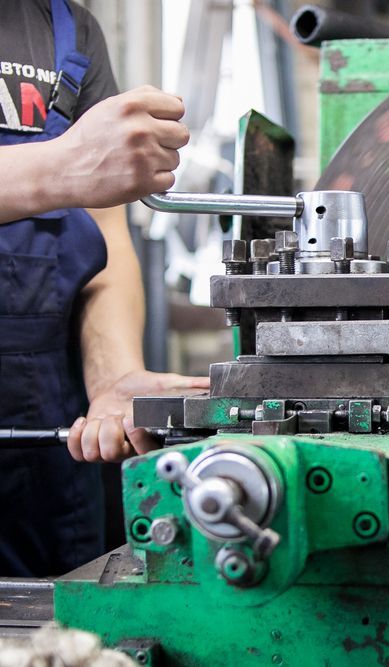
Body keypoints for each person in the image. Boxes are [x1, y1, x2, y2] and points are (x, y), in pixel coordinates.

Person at [0, 0, 208, 576]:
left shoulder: (68, 27)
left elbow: (105, 237)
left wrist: (114, 375)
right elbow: (75, 173)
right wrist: (60, 166)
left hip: (50, 433)